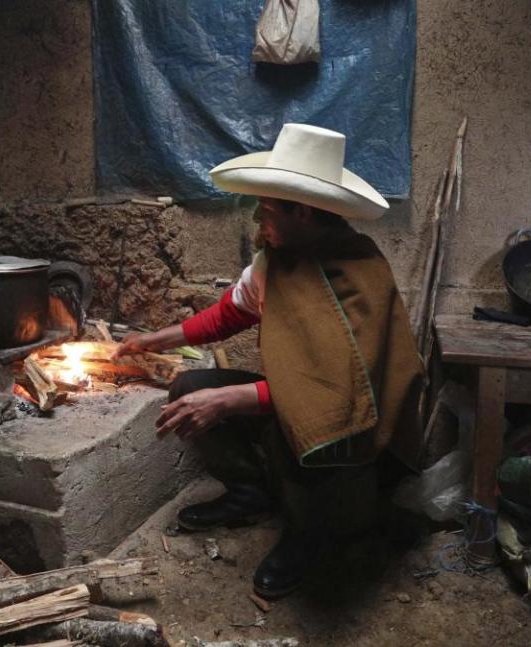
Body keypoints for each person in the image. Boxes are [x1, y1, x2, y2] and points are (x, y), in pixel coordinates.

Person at [114, 123, 423, 599]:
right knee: (191, 388)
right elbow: (229, 314)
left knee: (295, 428)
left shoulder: (362, 269)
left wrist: (233, 399)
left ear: (301, 210)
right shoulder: (275, 258)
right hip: (307, 400)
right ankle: (249, 495)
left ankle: (308, 535)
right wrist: (155, 340)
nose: (259, 222)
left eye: (266, 211)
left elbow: (337, 398)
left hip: (351, 430)